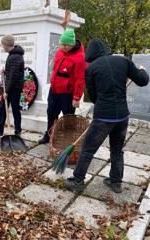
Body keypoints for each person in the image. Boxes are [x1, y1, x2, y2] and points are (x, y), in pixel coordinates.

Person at [65, 39, 149, 193]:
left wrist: (103, 105)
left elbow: (94, 96)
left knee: (88, 149)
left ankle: (77, 180)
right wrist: (142, 70)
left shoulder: (91, 69)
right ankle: (115, 182)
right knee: (117, 150)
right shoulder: (124, 61)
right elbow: (143, 80)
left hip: (104, 117)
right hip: (122, 116)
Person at [38, 28, 86, 144]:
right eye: (62, 44)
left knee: (68, 118)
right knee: (51, 114)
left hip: (67, 94)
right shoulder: (60, 53)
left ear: (73, 43)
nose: (64, 47)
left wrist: (76, 98)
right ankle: (49, 135)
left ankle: (67, 140)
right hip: (54, 91)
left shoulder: (80, 58)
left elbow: (80, 80)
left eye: (67, 45)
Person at [0, 35, 25, 138]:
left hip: (14, 88)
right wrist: (5, 72)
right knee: (3, 108)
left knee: (14, 109)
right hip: (11, 86)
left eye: (2, 45)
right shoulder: (13, 54)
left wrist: (7, 92)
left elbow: (13, 76)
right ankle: (0, 130)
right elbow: (12, 72)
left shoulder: (15, 56)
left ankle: (17, 131)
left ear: (6, 44)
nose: (2, 47)